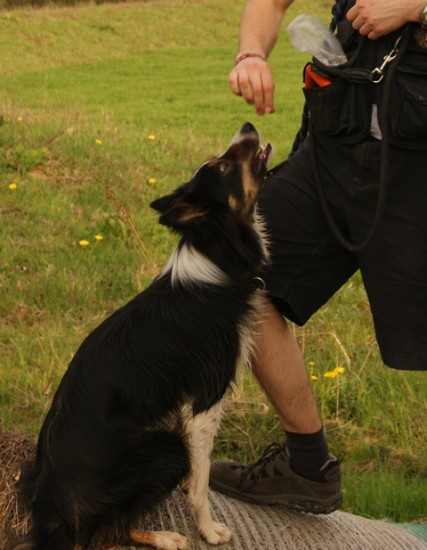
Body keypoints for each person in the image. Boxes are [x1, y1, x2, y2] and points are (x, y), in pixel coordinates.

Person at [209, 0, 427, 514]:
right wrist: (250, 55)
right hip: (333, 148)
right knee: (232, 269)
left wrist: (415, 8)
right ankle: (307, 465)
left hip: (418, 170)